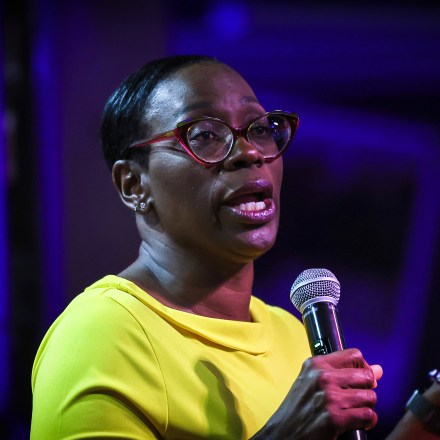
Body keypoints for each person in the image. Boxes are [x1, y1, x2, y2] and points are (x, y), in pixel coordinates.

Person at [30, 55, 382, 439]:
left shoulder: (292, 334)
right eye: (205, 135)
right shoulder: (102, 336)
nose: (250, 152)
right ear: (134, 184)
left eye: (260, 128)